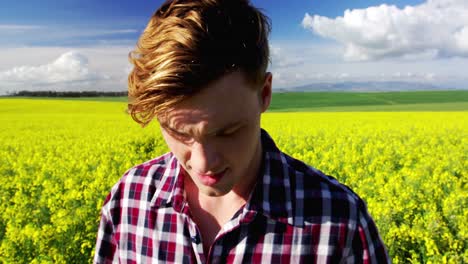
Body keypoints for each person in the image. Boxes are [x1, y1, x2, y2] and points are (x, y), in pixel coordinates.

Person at [94, 0, 390, 263]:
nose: (203, 163)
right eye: (178, 133)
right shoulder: (128, 199)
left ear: (264, 93)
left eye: (227, 132)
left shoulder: (340, 221)